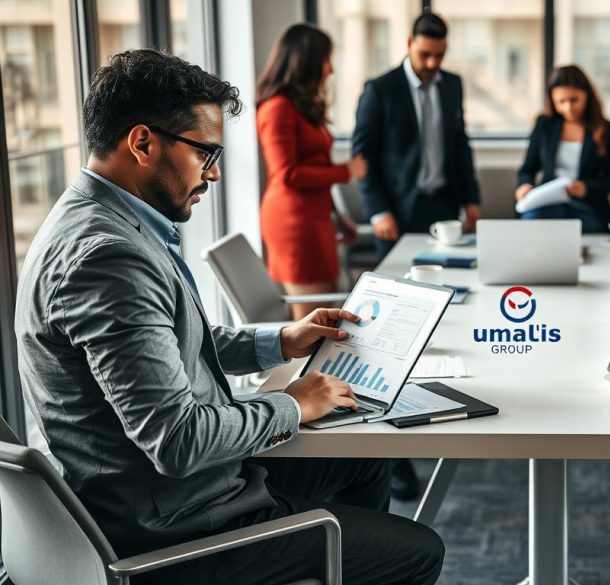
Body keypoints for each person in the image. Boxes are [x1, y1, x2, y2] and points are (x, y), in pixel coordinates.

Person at [14, 49, 443, 585]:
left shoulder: (91, 217)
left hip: (180, 490)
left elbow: (180, 342)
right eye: (205, 154)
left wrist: (283, 340)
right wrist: (290, 403)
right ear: (142, 142)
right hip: (177, 526)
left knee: (364, 458)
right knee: (418, 550)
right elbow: (178, 441)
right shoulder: (108, 257)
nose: (214, 173)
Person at [256, 24, 366, 321]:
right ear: (306, 62)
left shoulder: (300, 107)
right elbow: (288, 174)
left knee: (325, 310)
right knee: (312, 320)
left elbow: (314, 166)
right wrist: (346, 171)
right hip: (294, 222)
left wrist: (337, 214)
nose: (330, 70)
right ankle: (304, 369)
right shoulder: (276, 108)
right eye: (326, 60)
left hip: (315, 216)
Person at [352, 11, 481, 258]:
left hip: (444, 206)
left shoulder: (453, 85)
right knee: (398, 288)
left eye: (440, 55)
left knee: (449, 285)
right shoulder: (380, 90)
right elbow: (362, 156)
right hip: (396, 209)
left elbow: (459, 145)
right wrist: (378, 211)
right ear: (409, 43)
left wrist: (471, 200)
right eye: (425, 55)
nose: (432, 63)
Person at [514, 65, 610, 233]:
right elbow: (527, 169)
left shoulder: (609, 130)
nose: (568, 108)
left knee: (589, 228)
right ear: (552, 100)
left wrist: (586, 188)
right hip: (548, 203)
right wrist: (525, 185)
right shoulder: (544, 125)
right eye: (561, 102)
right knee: (530, 223)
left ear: (587, 95)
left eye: (574, 100)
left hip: (588, 207)